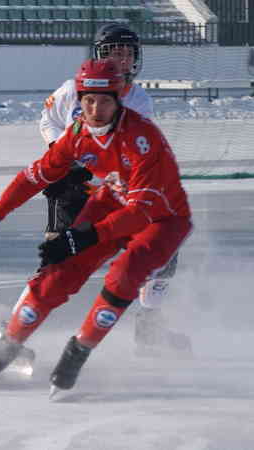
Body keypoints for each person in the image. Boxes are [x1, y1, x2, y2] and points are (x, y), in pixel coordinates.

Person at [0, 58, 193, 395]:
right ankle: (9, 345)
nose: (95, 109)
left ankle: (78, 350)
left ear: (118, 102)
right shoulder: (77, 135)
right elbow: (35, 175)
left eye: (104, 101)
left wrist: (79, 237)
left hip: (161, 218)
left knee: (124, 274)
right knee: (58, 271)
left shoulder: (142, 138)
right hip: (114, 199)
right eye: (88, 100)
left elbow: (140, 213)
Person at [37, 23, 190, 357]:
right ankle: (13, 334)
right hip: (74, 191)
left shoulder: (139, 100)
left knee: (162, 248)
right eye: (114, 52)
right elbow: (48, 120)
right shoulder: (70, 90)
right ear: (98, 55)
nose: (121, 60)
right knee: (56, 261)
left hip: (118, 190)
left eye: (127, 54)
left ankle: (149, 323)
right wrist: (58, 153)